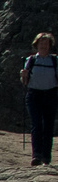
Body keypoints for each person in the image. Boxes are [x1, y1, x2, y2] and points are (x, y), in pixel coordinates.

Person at [21, 31, 57, 166]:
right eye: (41, 43)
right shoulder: (30, 60)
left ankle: (46, 157)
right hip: (34, 95)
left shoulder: (55, 61)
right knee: (37, 125)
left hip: (50, 95)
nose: (44, 45)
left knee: (48, 126)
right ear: (37, 44)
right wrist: (23, 75)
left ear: (49, 45)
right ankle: (36, 155)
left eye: (46, 43)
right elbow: (24, 82)